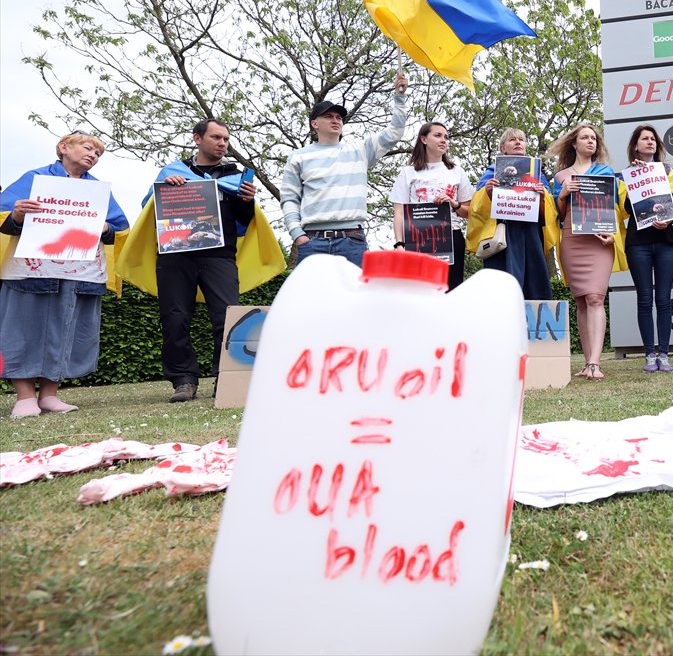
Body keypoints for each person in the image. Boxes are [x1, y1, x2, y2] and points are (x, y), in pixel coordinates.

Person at [0, 132, 128, 418]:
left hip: (79, 272)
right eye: (88, 148)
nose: (93, 155)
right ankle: (24, 397)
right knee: (21, 329)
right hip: (31, 271)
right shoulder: (33, 179)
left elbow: (120, 228)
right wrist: (18, 214)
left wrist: (105, 228)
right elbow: (4, 216)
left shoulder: (98, 190)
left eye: (98, 153)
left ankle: (49, 395)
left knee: (67, 330)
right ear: (63, 148)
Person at [138, 120, 267, 402]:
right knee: (175, 318)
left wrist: (246, 201)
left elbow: (245, 222)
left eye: (226, 139)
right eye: (216, 137)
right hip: (175, 254)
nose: (223, 143)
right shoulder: (171, 172)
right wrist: (165, 189)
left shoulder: (236, 175)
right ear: (197, 139)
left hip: (219, 255)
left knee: (227, 316)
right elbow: (148, 209)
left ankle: (226, 379)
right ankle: (184, 381)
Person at [281, 67, 409, 267]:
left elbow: (394, 133)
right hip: (312, 241)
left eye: (339, 117)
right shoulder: (298, 157)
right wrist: (297, 234)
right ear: (315, 123)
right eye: (329, 116)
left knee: (356, 298)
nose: (335, 120)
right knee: (312, 299)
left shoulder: (360, 151)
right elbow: (289, 198)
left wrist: (399, 97)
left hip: (352, 240)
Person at [551, 124, 626, 380]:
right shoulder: (561, 176)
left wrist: (612, 232)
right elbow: (557, 215)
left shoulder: (605, 172)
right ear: (574, 143)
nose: (590, 141)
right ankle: (586, 361)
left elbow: (613, 206)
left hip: (599, 239)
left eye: (594, 138)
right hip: (572, 236)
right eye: (585, 137)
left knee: (595, 297)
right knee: (582, 300)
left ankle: (595, 362)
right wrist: (562, 194)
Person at [466, 129, 559, 299]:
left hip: (531, 232)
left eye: (521, 140)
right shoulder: (492, 171)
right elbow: (477, 208)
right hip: (503, 233)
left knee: (535, 284)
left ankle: (534, 323)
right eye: (512, 140)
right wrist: (488, 192)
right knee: (502, 284)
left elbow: (550, 210)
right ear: (503, 148)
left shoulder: (536, 172)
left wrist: (543, 195)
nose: (518, 142)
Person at [621, 125, 673, 373]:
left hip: (665, 241)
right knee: (645, 299)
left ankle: (664, 354)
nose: (650, 142)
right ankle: (649, 354)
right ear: (636, 145)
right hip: (638, 243)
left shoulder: (667, 171)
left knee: (664, 299)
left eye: (653, 139)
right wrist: (637, 178)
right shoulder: (628, 174)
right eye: (645, 139)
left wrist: (667, 219)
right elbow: (625, 207)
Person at [390, 121, 475, 289]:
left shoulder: (457, 172)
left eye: (446, 137)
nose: (444, 140)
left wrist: (454, 203)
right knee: (419, 292)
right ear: (423, 139)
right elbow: (399, 212)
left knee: (450, 292)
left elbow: (469, 211)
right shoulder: (408, 172)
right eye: (438, 135)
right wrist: (399, 244)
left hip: (451, 238)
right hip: (417, 240)